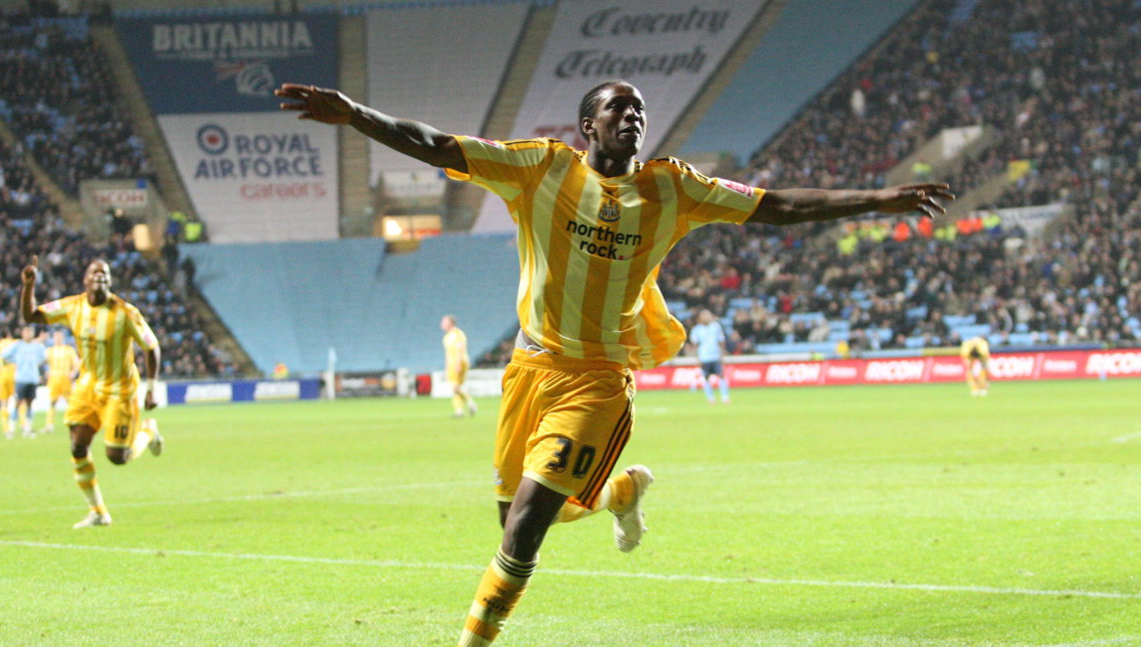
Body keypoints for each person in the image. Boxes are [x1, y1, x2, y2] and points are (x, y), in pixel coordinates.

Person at [277, 79, 953, 647]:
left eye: (640, 113)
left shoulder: (672, 190)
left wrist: (877, 197)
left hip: (598, 379)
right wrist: (353, 114)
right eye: (618, 110)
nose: (633, 118)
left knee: (528, 521)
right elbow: (436, 145)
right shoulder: (538, 167)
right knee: (513, 510)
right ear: (586, 125)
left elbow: (773, 206)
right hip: (529, 368)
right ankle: (618, 493)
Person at [20, 256, 165, 529]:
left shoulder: (125, 312)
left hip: (120, 390)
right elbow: (31, 315)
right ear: (85, 280)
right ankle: (98, 512)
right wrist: (29, 286)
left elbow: (151, 347)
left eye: (105, 274)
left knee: (117, 458)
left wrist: (152, 387)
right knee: (77, 445)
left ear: (110, 282)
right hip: (88, 386)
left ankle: (148, 431)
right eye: (94, 272)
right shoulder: (72, 306)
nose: (100, 276)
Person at [1, 325, 46, 438]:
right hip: (21, 378)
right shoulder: (17, 345)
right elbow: (4, 355)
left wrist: (36, 364)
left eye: (30, 331)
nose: (29, 333)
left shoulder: (37, 346)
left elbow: (44, 358)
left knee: (30, 404)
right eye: (26, 331)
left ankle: (28, 429)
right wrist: (14, 361)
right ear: (22, 333)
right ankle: (11, 429)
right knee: (18, 403)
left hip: (33, 378)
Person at [688, 310, 730, 404]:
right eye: (704, 316)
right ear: (700, 318)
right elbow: (695, 345)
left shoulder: (716, 327)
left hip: (715, 356)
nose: (706, 318)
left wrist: (722, 354)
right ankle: (711, 398)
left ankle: (725, 397)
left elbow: (721, 341)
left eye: (708, 315)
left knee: (721, 376)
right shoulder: (697, 330)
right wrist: (697, 357)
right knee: (706, 378)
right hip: (704, 357)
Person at [43, 330, 81, 434]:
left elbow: (77, 364)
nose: (58, 338)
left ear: (63, 337)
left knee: (70, 402)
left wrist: (73, 373)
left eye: (59, 336)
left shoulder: (69, 350)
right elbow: (44, 363)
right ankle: (49, 425)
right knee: (52, 401)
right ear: (53, 338)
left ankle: (72, 422)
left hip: (65, 379)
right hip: (54, 379)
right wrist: (46, 371)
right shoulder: (49, 350)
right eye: (56, 336)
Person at [441, 315, 477, 417]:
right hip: (452, 364)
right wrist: (447, 367)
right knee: (456, 387)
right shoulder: (446, 337)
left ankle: (469, 403)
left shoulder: (457, 334)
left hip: (460, 362)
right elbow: (448, 354)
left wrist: (458, 363)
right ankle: (460, 410)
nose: (442, 324)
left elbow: (460, 349)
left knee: (454, 387)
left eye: (444, 322)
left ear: (450, 323)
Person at [0, 331, 17, 438]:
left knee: (3, 403)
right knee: (19, 401)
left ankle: (6, 429)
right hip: (15, 374)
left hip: (2, 376)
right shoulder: (14, 343)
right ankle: (23, 426)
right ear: (9, 335)